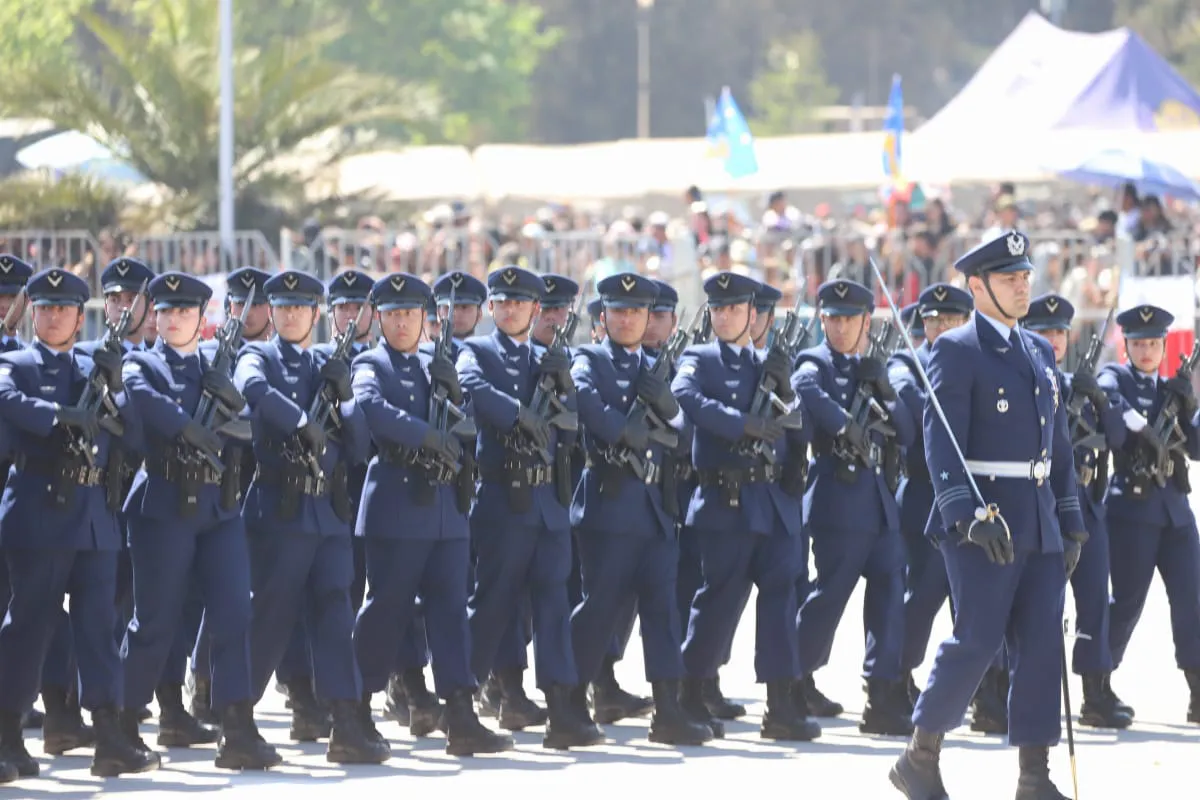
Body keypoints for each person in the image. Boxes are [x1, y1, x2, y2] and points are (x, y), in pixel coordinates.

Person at [890, 230, 1086, 800]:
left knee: (1042, 643)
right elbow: (939, 442)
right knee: (976, 639)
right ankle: (920, 755)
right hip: (984, 520)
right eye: (1009, 278)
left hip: (1039, 518)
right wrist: (966, 512)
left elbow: (1060, 443)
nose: (1023, 284)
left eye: (1025, 275)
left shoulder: (1038, 351)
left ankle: (1033, 775)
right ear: (977, 286)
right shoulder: (955, 349)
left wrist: (1070, 516)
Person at [0, 268, 158, 779]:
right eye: (44, 308)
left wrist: (117, 385)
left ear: (77, 315)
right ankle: (6, 736)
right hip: (40, 509)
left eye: (62, 309)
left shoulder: (98, 365)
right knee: (29, 625)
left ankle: (109, 733)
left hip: (94, 514)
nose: (52, 317)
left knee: (99, 629)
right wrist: (59, 415)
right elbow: (7, 400)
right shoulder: (16, 363)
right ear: (32, 312)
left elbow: (135, 437)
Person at [119, 271, 280, 769]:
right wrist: (193, 427)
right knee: (155, 621)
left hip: (218, 507)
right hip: (163, 506)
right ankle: (121, 726)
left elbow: (253, 425)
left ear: (200, 318)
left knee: (234, 614)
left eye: (183, 312)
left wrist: (228, 395)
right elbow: (145, 404)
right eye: (164, 312)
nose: (171, 320)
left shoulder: (222, 364)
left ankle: (237, 726)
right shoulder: (139, 363)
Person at [351, 272, 513, 756]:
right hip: (397, 504)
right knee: (386, 611)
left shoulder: (437, 365)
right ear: (379, 318)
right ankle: (353, 710)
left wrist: (455, 396)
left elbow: (469, 423)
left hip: (445, 507)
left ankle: (461, 715)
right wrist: (425, 434)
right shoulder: (370, 362)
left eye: (410, 314)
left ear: (426, 318)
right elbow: (369, 406)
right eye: (393, 314)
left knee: (450, 613)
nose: (402, 323)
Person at [233, 269, 387, 764]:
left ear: (317, 314)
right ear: (273, 313)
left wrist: (343, 398)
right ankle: (237, 724)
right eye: (284, 307)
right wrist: (303, 422)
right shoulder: (258, 355)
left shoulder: (330, 364)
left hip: (327, 513)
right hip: (280, 509)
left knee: (336, 615)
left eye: (302, 308)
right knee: (270, 619)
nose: (293, 314)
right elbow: (250, 387)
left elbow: (361, 446)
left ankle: (345, 723)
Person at [456, 265, 601, 750]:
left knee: (554, 605)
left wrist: (564, 393)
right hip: (504, 497)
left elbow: (572, 426)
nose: (512, 308)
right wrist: (520, 414)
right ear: (492, 308)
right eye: (504, 301)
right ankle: (461, 705)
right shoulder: (475, 351)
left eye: (521, 302)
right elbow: (472, 390)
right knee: (493, 605)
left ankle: (562, 708)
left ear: (536, 310)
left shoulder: (553, 358)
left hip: (548, 501)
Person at [674, 271, 820, 742]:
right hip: (725, 499)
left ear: (753, 315)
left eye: (734, 309)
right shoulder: (699, 358)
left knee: (780, 602)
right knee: (717, 601)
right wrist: (744, 425)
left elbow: (798, 424)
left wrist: (787, 389)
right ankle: (690, 694)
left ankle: (780, 704)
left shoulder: (770, 364)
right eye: (717, 309)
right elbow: (687, 398)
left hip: (772, 500)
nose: (724, 317)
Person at [569, 272, 712, 745]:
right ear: (605, 316)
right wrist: (629, 430)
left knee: (662, 611)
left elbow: (687, 436)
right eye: (619, 311)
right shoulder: (589, 359)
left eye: (637, 312)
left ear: (650, 318)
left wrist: (668, 408)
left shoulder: (659, 367)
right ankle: (570, 704)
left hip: (656, 507)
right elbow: (587, 404)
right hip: (609, 505)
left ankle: (668, 709)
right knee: (601, 608)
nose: (628, 319)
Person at [794, 278, 916, 736]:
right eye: (832, 319)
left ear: (867, 320)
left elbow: (905, 431)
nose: (841, 328)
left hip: (880, 501)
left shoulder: (874, 367)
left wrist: (883, 387)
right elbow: (805, 388)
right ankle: (795, 677)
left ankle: (881, 693)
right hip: (837, 500)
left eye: (849, 319)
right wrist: (848, 422)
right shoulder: (816, 363)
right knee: (828, 597)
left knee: (889, 594)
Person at [1021, 293, 1131, 729]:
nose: (1052, 339)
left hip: (1086, 505)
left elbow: (1120, 440)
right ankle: (1008, 689)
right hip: (1041, 508)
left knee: (1094, 602)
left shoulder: (1080, 384)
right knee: (1035, 605)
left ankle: (1096, 690)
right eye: (1043, 331)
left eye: (1058, 332)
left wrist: (1100, 401)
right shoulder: (1026, 385)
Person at [1099, 303, 1200, 726]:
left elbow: (1194, 447)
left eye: (1153, 344)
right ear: (1126, 346)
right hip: (1133, 509)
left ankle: (1197, 691)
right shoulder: (1116, 378)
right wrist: (1142, 424)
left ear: (1163, 347)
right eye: (1138, 344)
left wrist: (1189, 401)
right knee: (1126, 603)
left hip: (1175, 510)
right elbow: (1112, 409)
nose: (1145, 352)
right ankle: (1098, 684)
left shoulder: (1170, 388)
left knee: (1192, 599)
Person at [190, 266, 272, 725]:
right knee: (226, 595)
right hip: (223, 484)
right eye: (241, 304)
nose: (249, 313)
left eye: (258, 305)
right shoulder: (212, 356)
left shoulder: (278, 356)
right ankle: (203, 681)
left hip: (269, 482)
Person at [889, 284, 972, 711]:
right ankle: (897, 676)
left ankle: (981, 688)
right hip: (925, 491)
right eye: (932, 320)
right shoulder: (908, 361)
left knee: (973, 598)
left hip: (974, 493)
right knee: (921, 593)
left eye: (950, 320)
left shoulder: (977, 362)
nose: (939, 327)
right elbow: (909, 398)